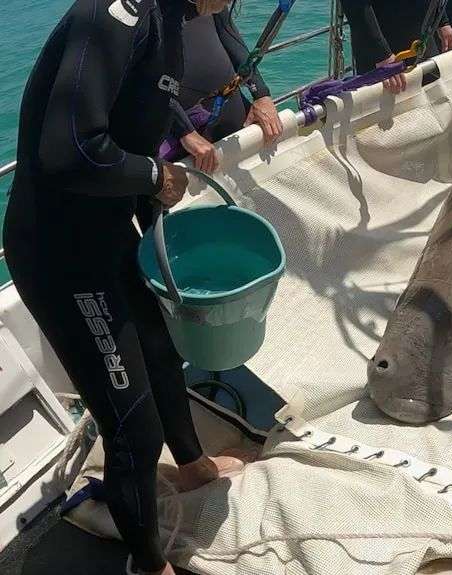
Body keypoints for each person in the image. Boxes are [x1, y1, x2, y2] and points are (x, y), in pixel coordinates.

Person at [2, 1, 247, 574]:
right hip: (63, 257)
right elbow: (70, 149)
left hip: (108, 235)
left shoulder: (175, 19)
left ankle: (191, 465)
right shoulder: (113, 13)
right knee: (131, 421)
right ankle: (146, 563)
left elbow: (145, 112)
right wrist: (156, 176)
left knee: (162, 355)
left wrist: (162, 178)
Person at [171, 2, 283, 175]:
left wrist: (260, 94)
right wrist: (184, 131)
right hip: (179, 128)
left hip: (230, 104)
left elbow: (230, 36)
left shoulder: (210, 3)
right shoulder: (146, 10)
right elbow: (142, 81)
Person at [342, 1, 452, 95]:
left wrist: (443, 22)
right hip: (383, 54)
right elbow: (355, 5)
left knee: (432, 105)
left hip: (423, 43)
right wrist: (382, 55)